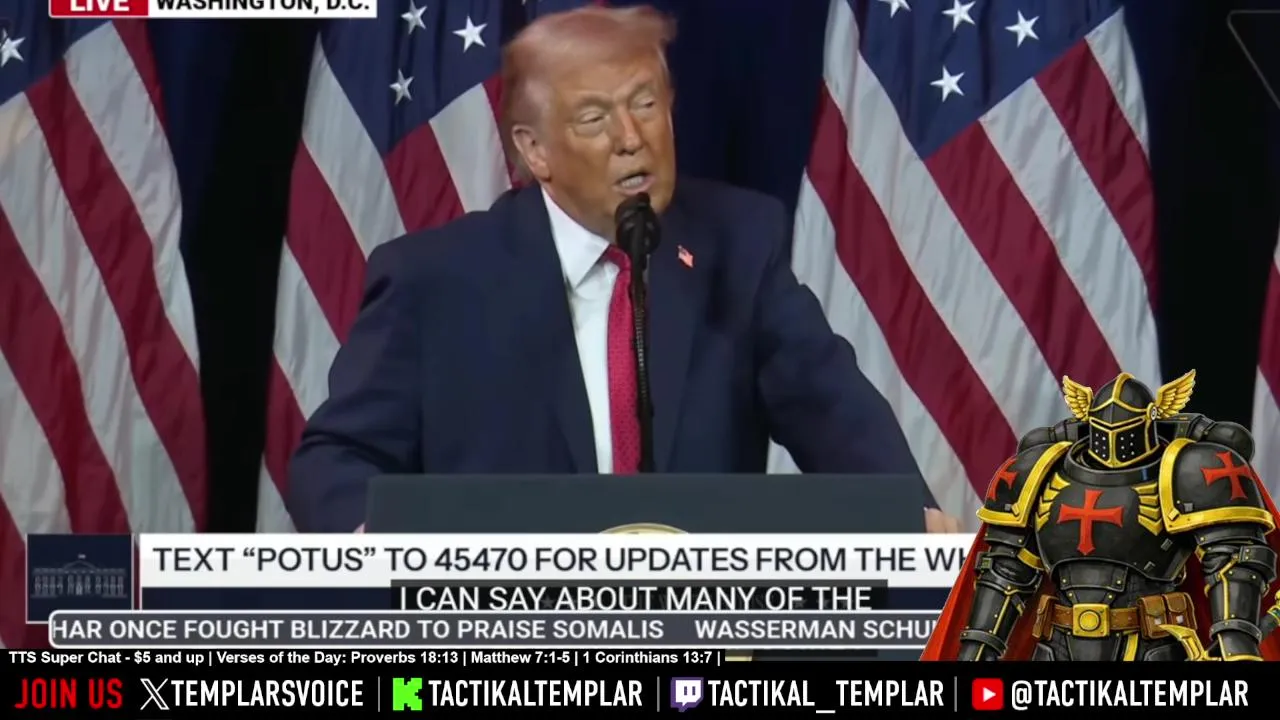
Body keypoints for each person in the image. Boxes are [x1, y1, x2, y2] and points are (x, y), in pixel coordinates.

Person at [288, 6, 960, 534]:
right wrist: (378, 547)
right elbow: (337, 458)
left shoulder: (736, 244)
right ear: (535, 151)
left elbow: (832, 410)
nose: (631, 139)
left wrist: (910, 520)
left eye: (645, 104)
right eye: (593, 118)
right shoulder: (437, 281)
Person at [922, 371, 1280, 661]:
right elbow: (1006, 572)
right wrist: (976, 652)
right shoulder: (1040, 473)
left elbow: (1233, 562)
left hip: (1150, 646)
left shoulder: (1189, 469)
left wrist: (1235, 643)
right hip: (1056, 646)